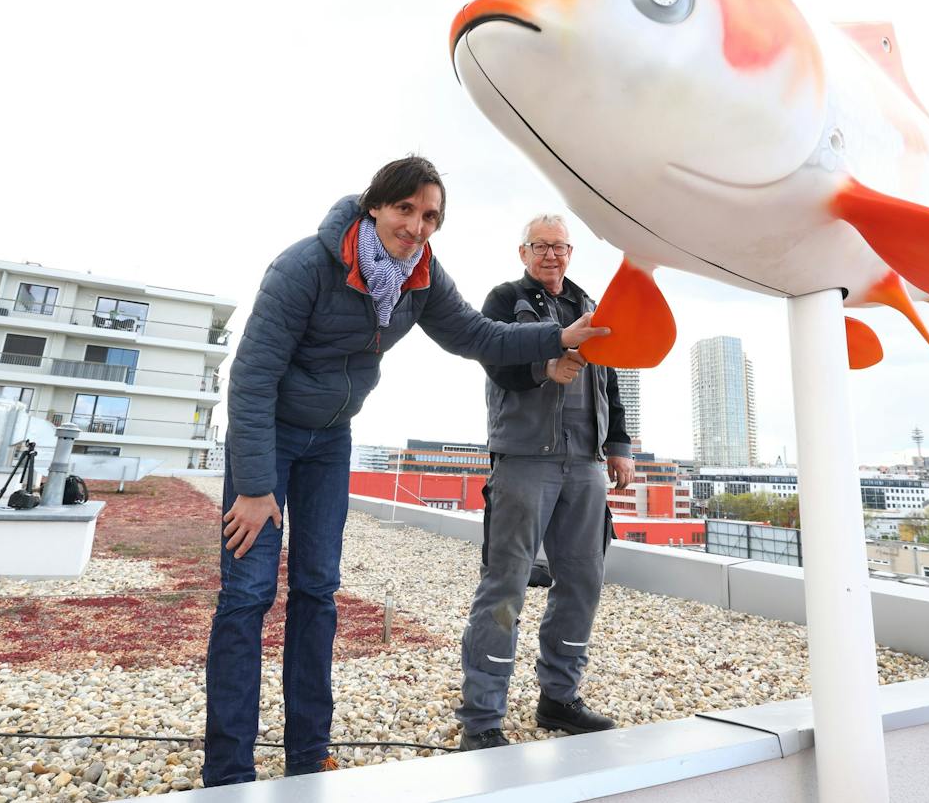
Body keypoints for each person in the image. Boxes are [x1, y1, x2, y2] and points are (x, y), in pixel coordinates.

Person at [203, 158, 609, 786]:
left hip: (331, 440)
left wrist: (559, 338)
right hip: (269, 440)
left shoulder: (418, 278)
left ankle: (307, 756)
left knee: (317, 590)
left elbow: (479, 335)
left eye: (431, 217)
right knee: (248, 595)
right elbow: (250, 379)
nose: (417, 226)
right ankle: (228, 771)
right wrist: (255, 488)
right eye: (407, 210)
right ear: (375, 205)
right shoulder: (305, 266)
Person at [455, 213, 633, 750]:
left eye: (560, 246)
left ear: (571, 253)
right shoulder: (504, 299)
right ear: (523, 252)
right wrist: (542, 370)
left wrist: (619, 447)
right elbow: (493, 356)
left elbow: (612, 378)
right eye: (541, 246)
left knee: (582, 582)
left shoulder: (592, 307)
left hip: (585, 464)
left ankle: (560, 697)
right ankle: (482, 718)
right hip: (525, 460)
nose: (551, 255)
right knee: (505, 587)